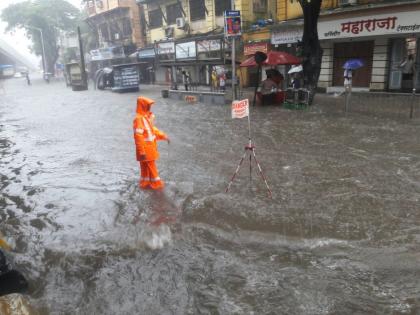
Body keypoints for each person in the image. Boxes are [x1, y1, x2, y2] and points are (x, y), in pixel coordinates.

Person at [133, 96, 170, 190]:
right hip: (146, 150)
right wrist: (142, 151)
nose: (149, 108)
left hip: (147, 150)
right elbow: (138, 136)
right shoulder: (140, 119)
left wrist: (163, 136)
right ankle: (157, 185)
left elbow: (152, 131)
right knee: (151, 168)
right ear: (143, 106)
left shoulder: (144, 118)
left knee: (145, 168)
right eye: (148, 106)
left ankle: (145, 183)